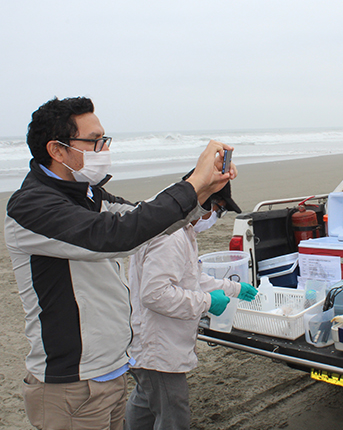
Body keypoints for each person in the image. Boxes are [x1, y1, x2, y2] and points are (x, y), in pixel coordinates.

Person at [4, 96, 235, 430]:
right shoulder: (32, 208)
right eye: (94, 141)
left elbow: (149, 223)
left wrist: (204, 191)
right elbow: (118, 236)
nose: (103, 149)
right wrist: (192, 183)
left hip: (113, 371)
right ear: (57, 150)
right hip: (71, 384)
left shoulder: (87, 195)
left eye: (104, 140)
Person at [124, 180, 257, 429]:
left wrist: (235, 288)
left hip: (157, 343)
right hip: (158, 347)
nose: (215, 217)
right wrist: (207, 302)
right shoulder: (171, 237)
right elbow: (155, 294)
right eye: (217, 209)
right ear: (201, 201)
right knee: (173, 412)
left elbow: (192, 279)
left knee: (145, 402)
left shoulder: (181, 230)